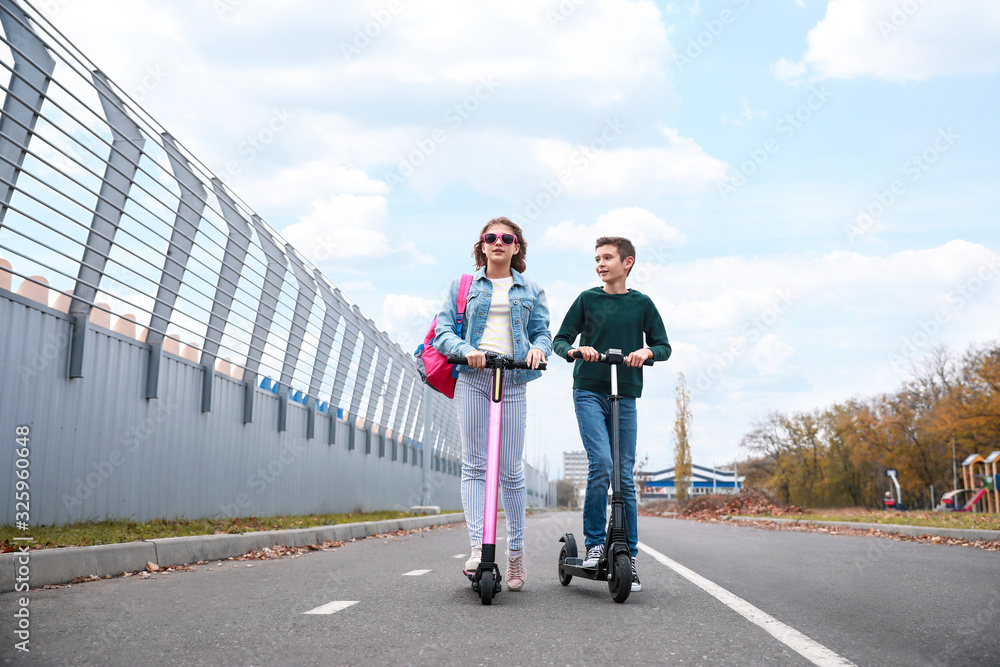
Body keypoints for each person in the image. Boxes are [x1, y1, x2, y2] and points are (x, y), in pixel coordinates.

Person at [433, 217, 551, 591]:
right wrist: (466, 351)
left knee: (511, 471)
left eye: (507, 238)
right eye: (491, 237)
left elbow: (543, 332)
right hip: (473, 377)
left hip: (513, 378)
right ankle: (476, 548)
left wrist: (537, 349)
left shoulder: (531, 289)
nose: (498, 242)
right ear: (481, 246)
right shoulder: (462, 286)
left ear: (517, 247)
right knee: (475, 464)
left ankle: (515, 552)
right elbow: (442, 331)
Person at [552, 236, 671, 593]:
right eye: (597, 259)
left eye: (607, 258)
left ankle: (627, 555)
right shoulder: (588, 299)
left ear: (627, 262)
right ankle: (592, 544)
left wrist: (646, 353)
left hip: (626, 394)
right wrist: (576, 351)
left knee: (623, 474)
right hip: (589, 389)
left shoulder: (642, 304)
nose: (600, 264)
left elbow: (664, 346)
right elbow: (561, 340)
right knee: (602, 463)